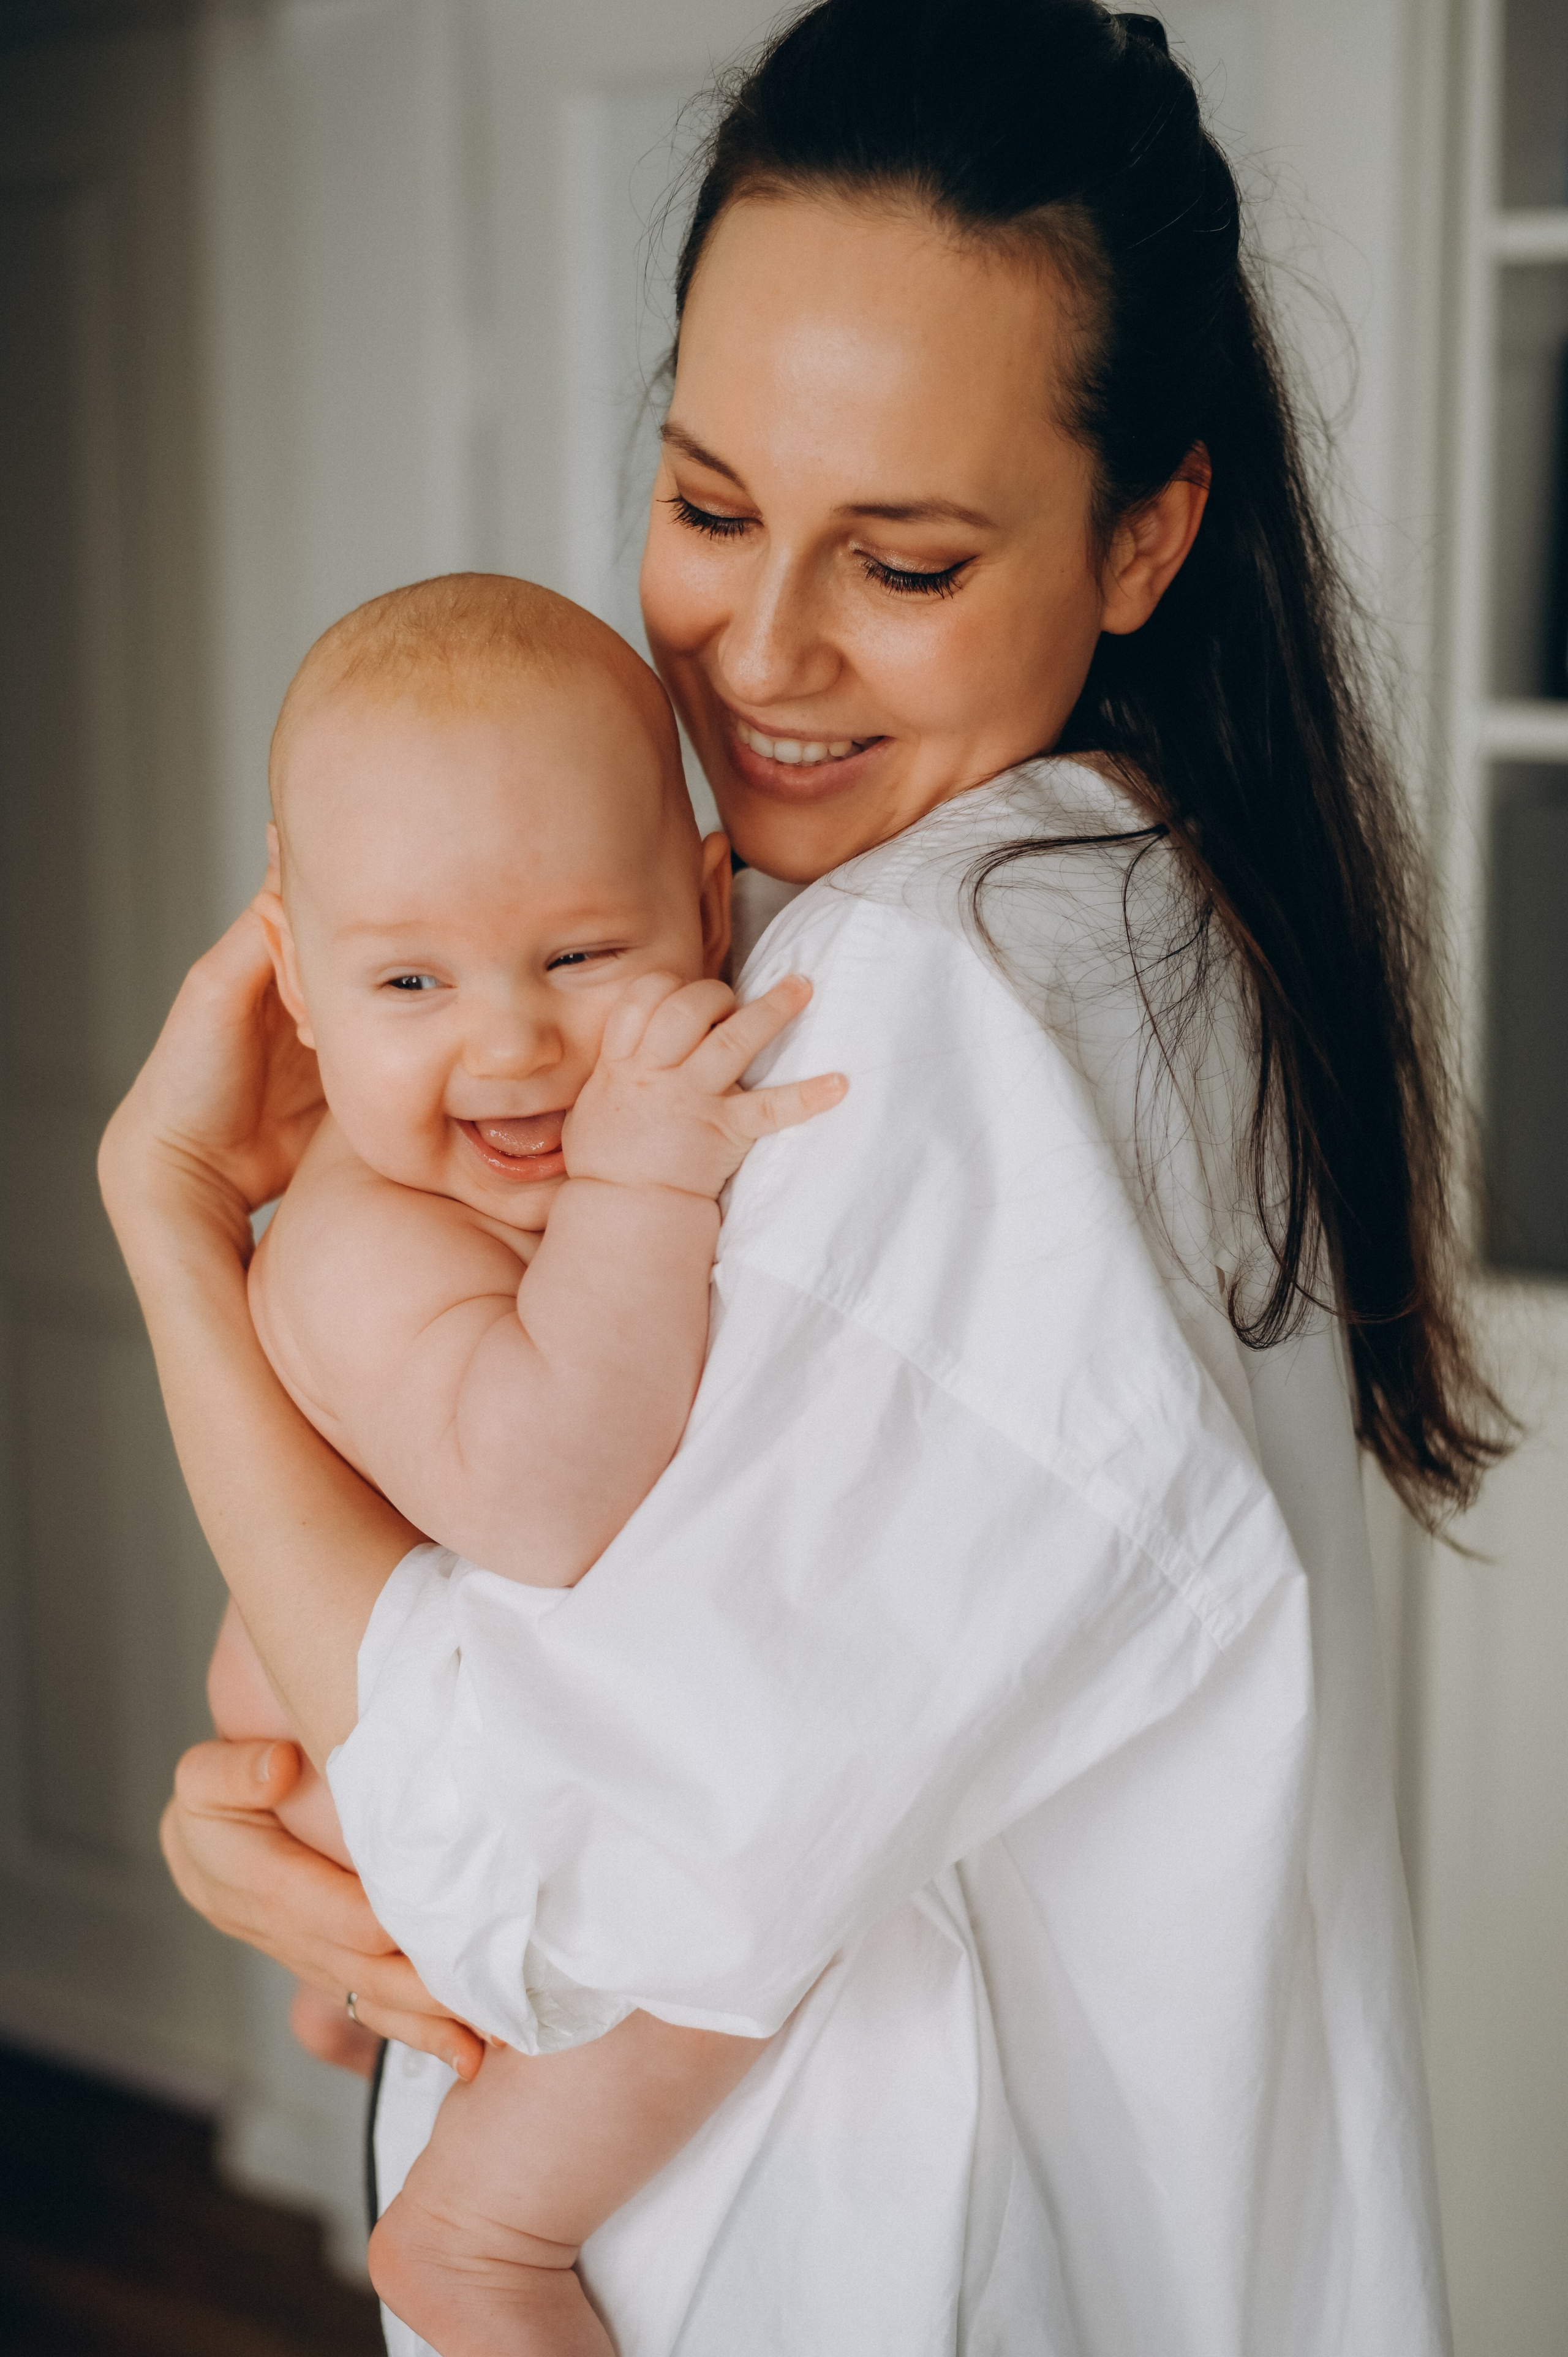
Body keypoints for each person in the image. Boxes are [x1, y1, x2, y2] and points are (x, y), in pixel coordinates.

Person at [103, 2, 1508, 2350]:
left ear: (1148, 532)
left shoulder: (937, 1008)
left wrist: (169, 1230)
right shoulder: (1084, 920)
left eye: (910, 562)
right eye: (712, 504)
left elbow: (555, 1851)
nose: (755, 654)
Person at [206, 571, 843, 2355]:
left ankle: (349, 2017)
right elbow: (547, 1501)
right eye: (410, 978)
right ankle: (480, 2232)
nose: (511, 1041)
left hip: (368, 1722)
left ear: (711, 910)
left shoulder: (472, 1154)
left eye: (579, 956)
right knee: (742, 1889)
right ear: (301, 985)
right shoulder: (361, 1239)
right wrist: (646, 1185)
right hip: (367, 1763)